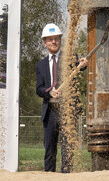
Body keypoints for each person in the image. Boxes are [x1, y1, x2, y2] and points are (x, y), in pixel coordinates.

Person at [35, 23, 87, 172]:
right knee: (50, 149)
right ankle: (50, 179)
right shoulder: (41, 65)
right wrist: (49, 92)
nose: (54, 42)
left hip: (67, 110)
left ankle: (66, 178)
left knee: (67, 149)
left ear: (60, 40)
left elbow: (79, 65)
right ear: (45, 42)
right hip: (50, 110)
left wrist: (82, 64)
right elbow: (39, 89)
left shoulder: (69, 58)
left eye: (56, 39)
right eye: (50, 39)